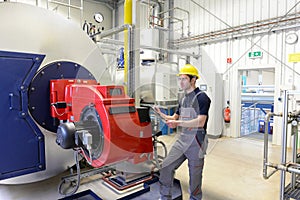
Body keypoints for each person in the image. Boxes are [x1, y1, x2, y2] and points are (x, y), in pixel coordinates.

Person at [154, 64, 211, 200]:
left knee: (195, 177)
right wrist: (161, 114)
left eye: (184, 79)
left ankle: (195, 198)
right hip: (183, 139)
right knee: (166, 166)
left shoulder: (202, 98)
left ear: (193, 80)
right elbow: (174, 117)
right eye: (179, 79)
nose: (181, 82)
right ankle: (165, 196)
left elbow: (201, 121)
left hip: (196, 142)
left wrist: (178, 123)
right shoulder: (183, 99)